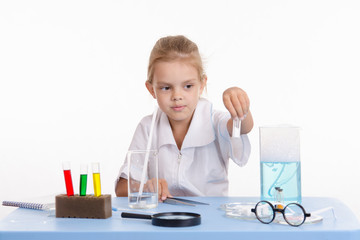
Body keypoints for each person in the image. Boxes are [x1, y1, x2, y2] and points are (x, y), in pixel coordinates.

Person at [115, 35, 253, 201]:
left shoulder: (214, 120)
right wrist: (145, 188)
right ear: (151, 89)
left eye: (188, 86)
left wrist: (239, 104)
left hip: (211, 219)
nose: (177, 96)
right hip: (163, 220)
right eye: (166, 88)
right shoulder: (148, 127)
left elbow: (243, 127)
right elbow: (122, 188)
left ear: (202, 84)